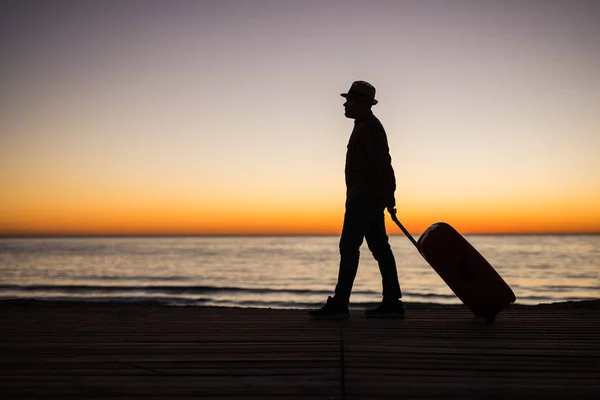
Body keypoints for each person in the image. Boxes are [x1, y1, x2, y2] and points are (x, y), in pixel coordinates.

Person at [309, 80, 404, 320]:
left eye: (349, 99)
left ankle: (341, 304)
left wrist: (389, 195)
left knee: (349, 247)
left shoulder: (370, 127)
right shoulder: (364, 125)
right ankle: (392, 302)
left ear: (361, 103)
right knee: (380, 248)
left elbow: (384, 163)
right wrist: (386, 196)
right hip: (367, 197)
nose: (345, 103)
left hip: (364, 199)